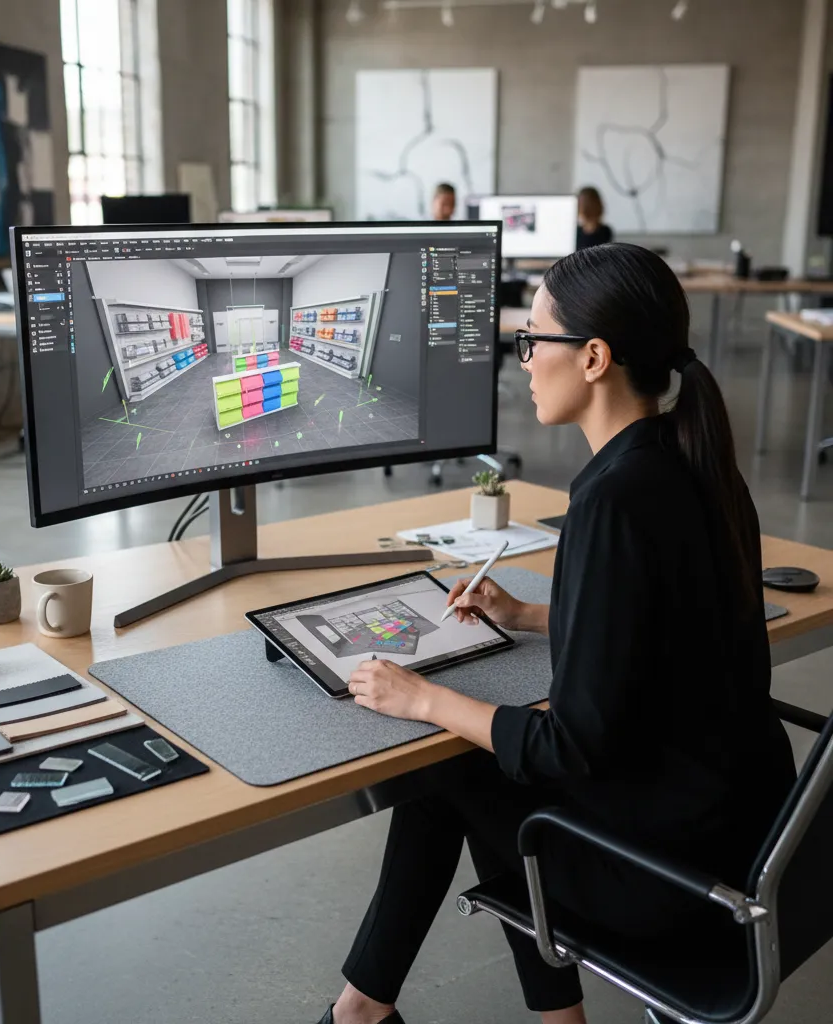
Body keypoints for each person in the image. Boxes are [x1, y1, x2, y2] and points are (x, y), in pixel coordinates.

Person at [314, 243, 796, 1024]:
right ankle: (386, 1011)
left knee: (450, 767)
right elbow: (666, 628)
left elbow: (568, 749)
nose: (527, 359)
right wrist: (533, 614)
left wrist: (423, 699)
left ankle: (360, 1012)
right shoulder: (693, 459)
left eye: (534, 339)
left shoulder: (611, 499)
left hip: (660, 876)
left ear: (595, 358)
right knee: (480, 765)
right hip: (738, 837)